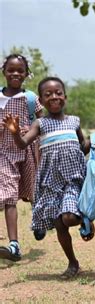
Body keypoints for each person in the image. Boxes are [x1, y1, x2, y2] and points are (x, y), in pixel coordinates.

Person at [1, 76, 95, 278]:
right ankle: (73, 263)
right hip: (51, 181)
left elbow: (82, 148)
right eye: (48, 94)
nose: (54, 97)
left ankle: (84, 216)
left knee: (68, 218)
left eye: (58, 93)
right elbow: (23, 143)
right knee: (59, 225)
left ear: (65, 97)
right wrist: (15, 133)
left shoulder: (74, 121)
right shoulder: (40, 124)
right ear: (41, 99)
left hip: (73, 179)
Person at [0, 54, 43, 261]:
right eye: (11, 70)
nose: (15, 74)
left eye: (20, 70)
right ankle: (14, 245)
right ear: (4, 72)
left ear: (26, 74)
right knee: (8, 195)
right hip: (4, 152)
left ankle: (39, 220)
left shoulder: (31, 98)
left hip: (27, 149)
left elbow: (45, 122)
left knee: (33, 190)